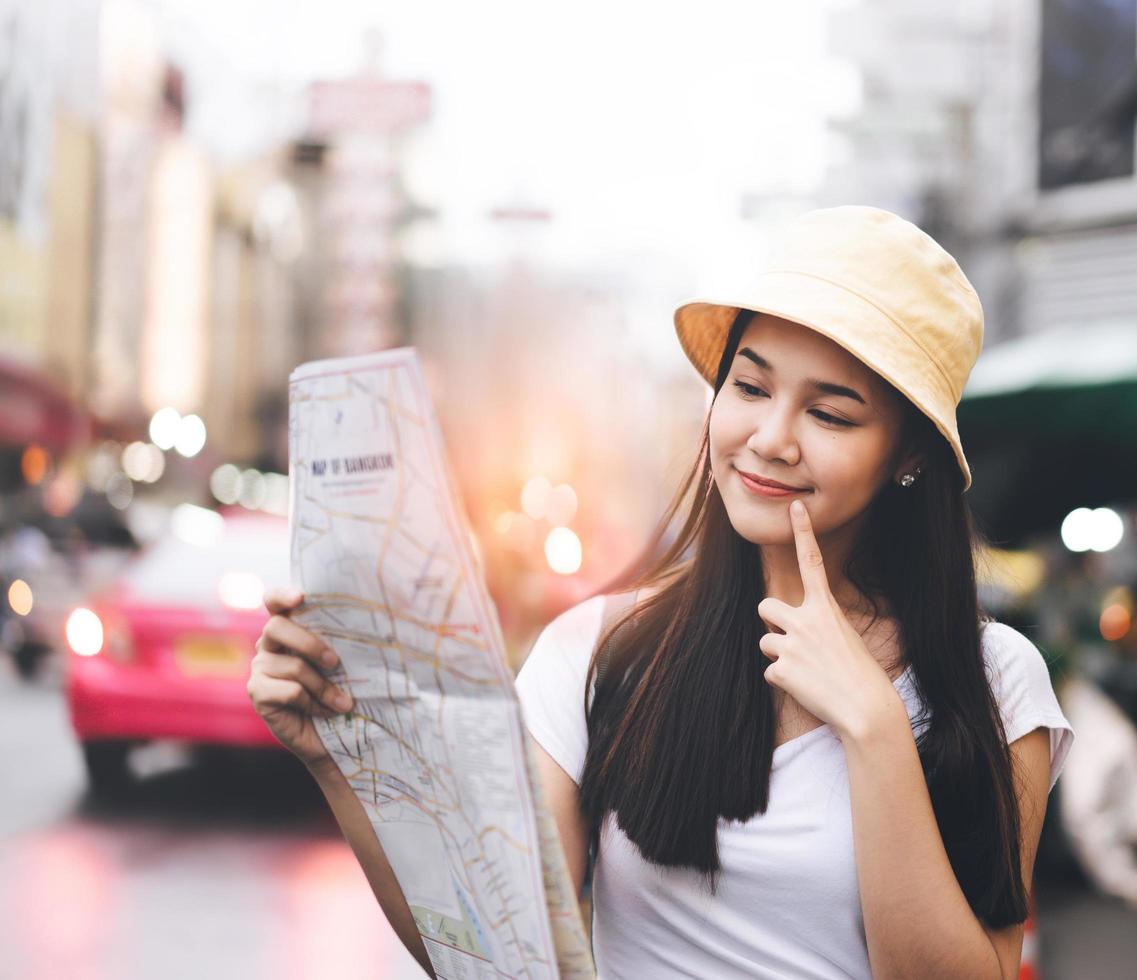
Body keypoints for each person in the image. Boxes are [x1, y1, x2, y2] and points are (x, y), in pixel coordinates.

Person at [248, 206, 1075, 979]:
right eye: (749, 388)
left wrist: (875, 728)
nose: (770, 439)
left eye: (831, 414)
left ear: (910, 455)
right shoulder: (598, 652)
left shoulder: (995, 682)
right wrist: (339, 762)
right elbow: (495, 953)